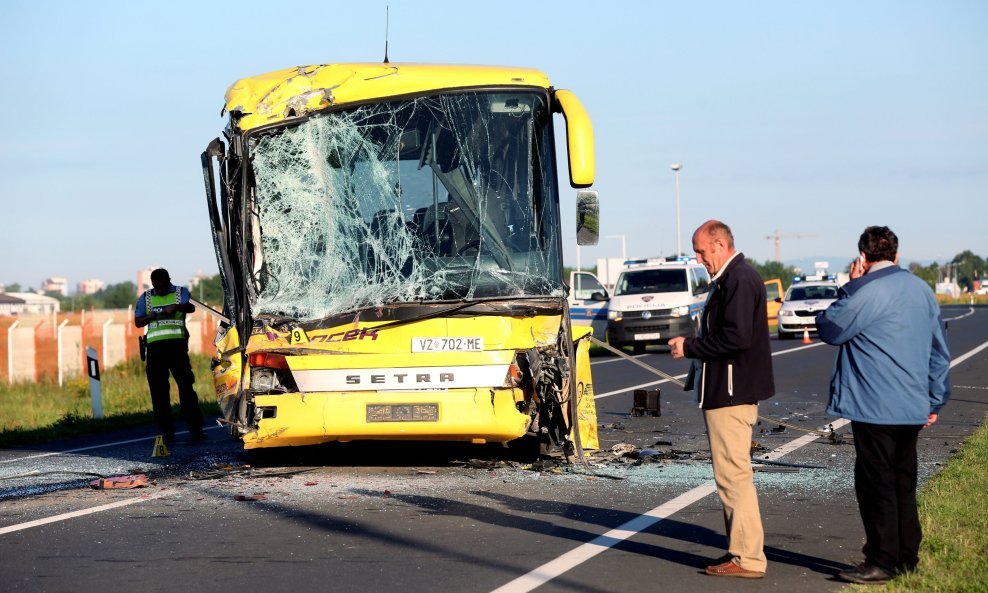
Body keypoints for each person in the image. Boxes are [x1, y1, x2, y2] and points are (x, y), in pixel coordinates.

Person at [816, 226, 950, 584]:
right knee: (903, 481)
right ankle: (907, 557)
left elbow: (830, 327)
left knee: (876, 483)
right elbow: (939, 352)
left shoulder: (865, 291)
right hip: (912, 403)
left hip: (874, 404)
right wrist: (935, 398)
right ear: (896, 253)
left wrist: (851, 285)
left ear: (862, 257)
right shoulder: (921, 290)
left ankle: (882, 559)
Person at [668, 220, 775, 579]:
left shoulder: (739, 280)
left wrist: (690, 347)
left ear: (719, 245)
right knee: (731, 474)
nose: (698, 258)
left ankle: (747, 558)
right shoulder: (731, 279)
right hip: (726, 392)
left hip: (732, 394)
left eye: (700, 251)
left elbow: (736, 338)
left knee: (733, 475)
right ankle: (741, 551)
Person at [134, 268, 206, 444]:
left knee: (186, 388)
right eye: (156, 286)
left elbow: (190, 307)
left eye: (163, 285)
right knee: (159, 392)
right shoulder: (146, 297)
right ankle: (167, 432)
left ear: (168, 280)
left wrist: (175, 307)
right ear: (152, 283)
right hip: (155, 349)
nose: (160, 289)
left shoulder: (180, 293)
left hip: (177, 347)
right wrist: (149, 317)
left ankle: (195, 429)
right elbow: (138, 322)